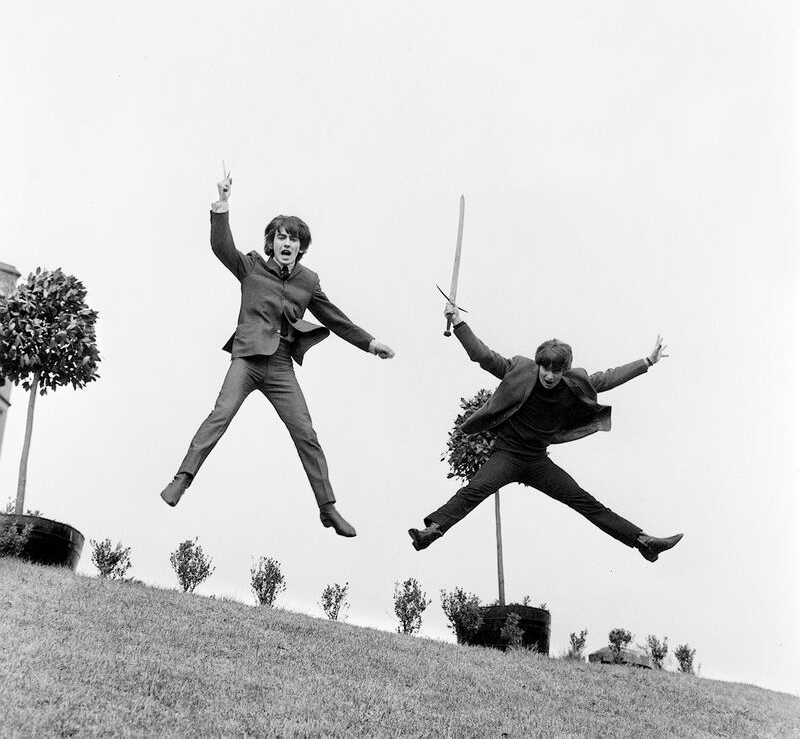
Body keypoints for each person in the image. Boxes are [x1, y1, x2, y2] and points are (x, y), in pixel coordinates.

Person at [160, 171, 394, 537]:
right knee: (220, 415)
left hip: (282, 365)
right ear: (272, 243)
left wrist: (369, 343)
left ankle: (328, 508)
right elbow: (222, 248)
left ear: (301, 247)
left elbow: (334, 317)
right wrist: (222, 206)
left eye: (294, 239)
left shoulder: (308, 281)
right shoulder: (251, 267)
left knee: (306, 432)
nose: (287, 242)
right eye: (281, 237)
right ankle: (182, 479)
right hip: (248, 358)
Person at [408, 303, 682, 562]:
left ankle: (643, 542)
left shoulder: (575, 382)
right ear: (538, 364)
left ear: (565, 370)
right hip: (507, 454)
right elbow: (482, 355)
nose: (549, 376)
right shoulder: (518, 370)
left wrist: (647, 361)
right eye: (545, 368)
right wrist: (458, 322)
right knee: (474, 491)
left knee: (585, 501)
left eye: (556, 371)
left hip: (537, 461)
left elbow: (608, 378)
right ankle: (432, 531)